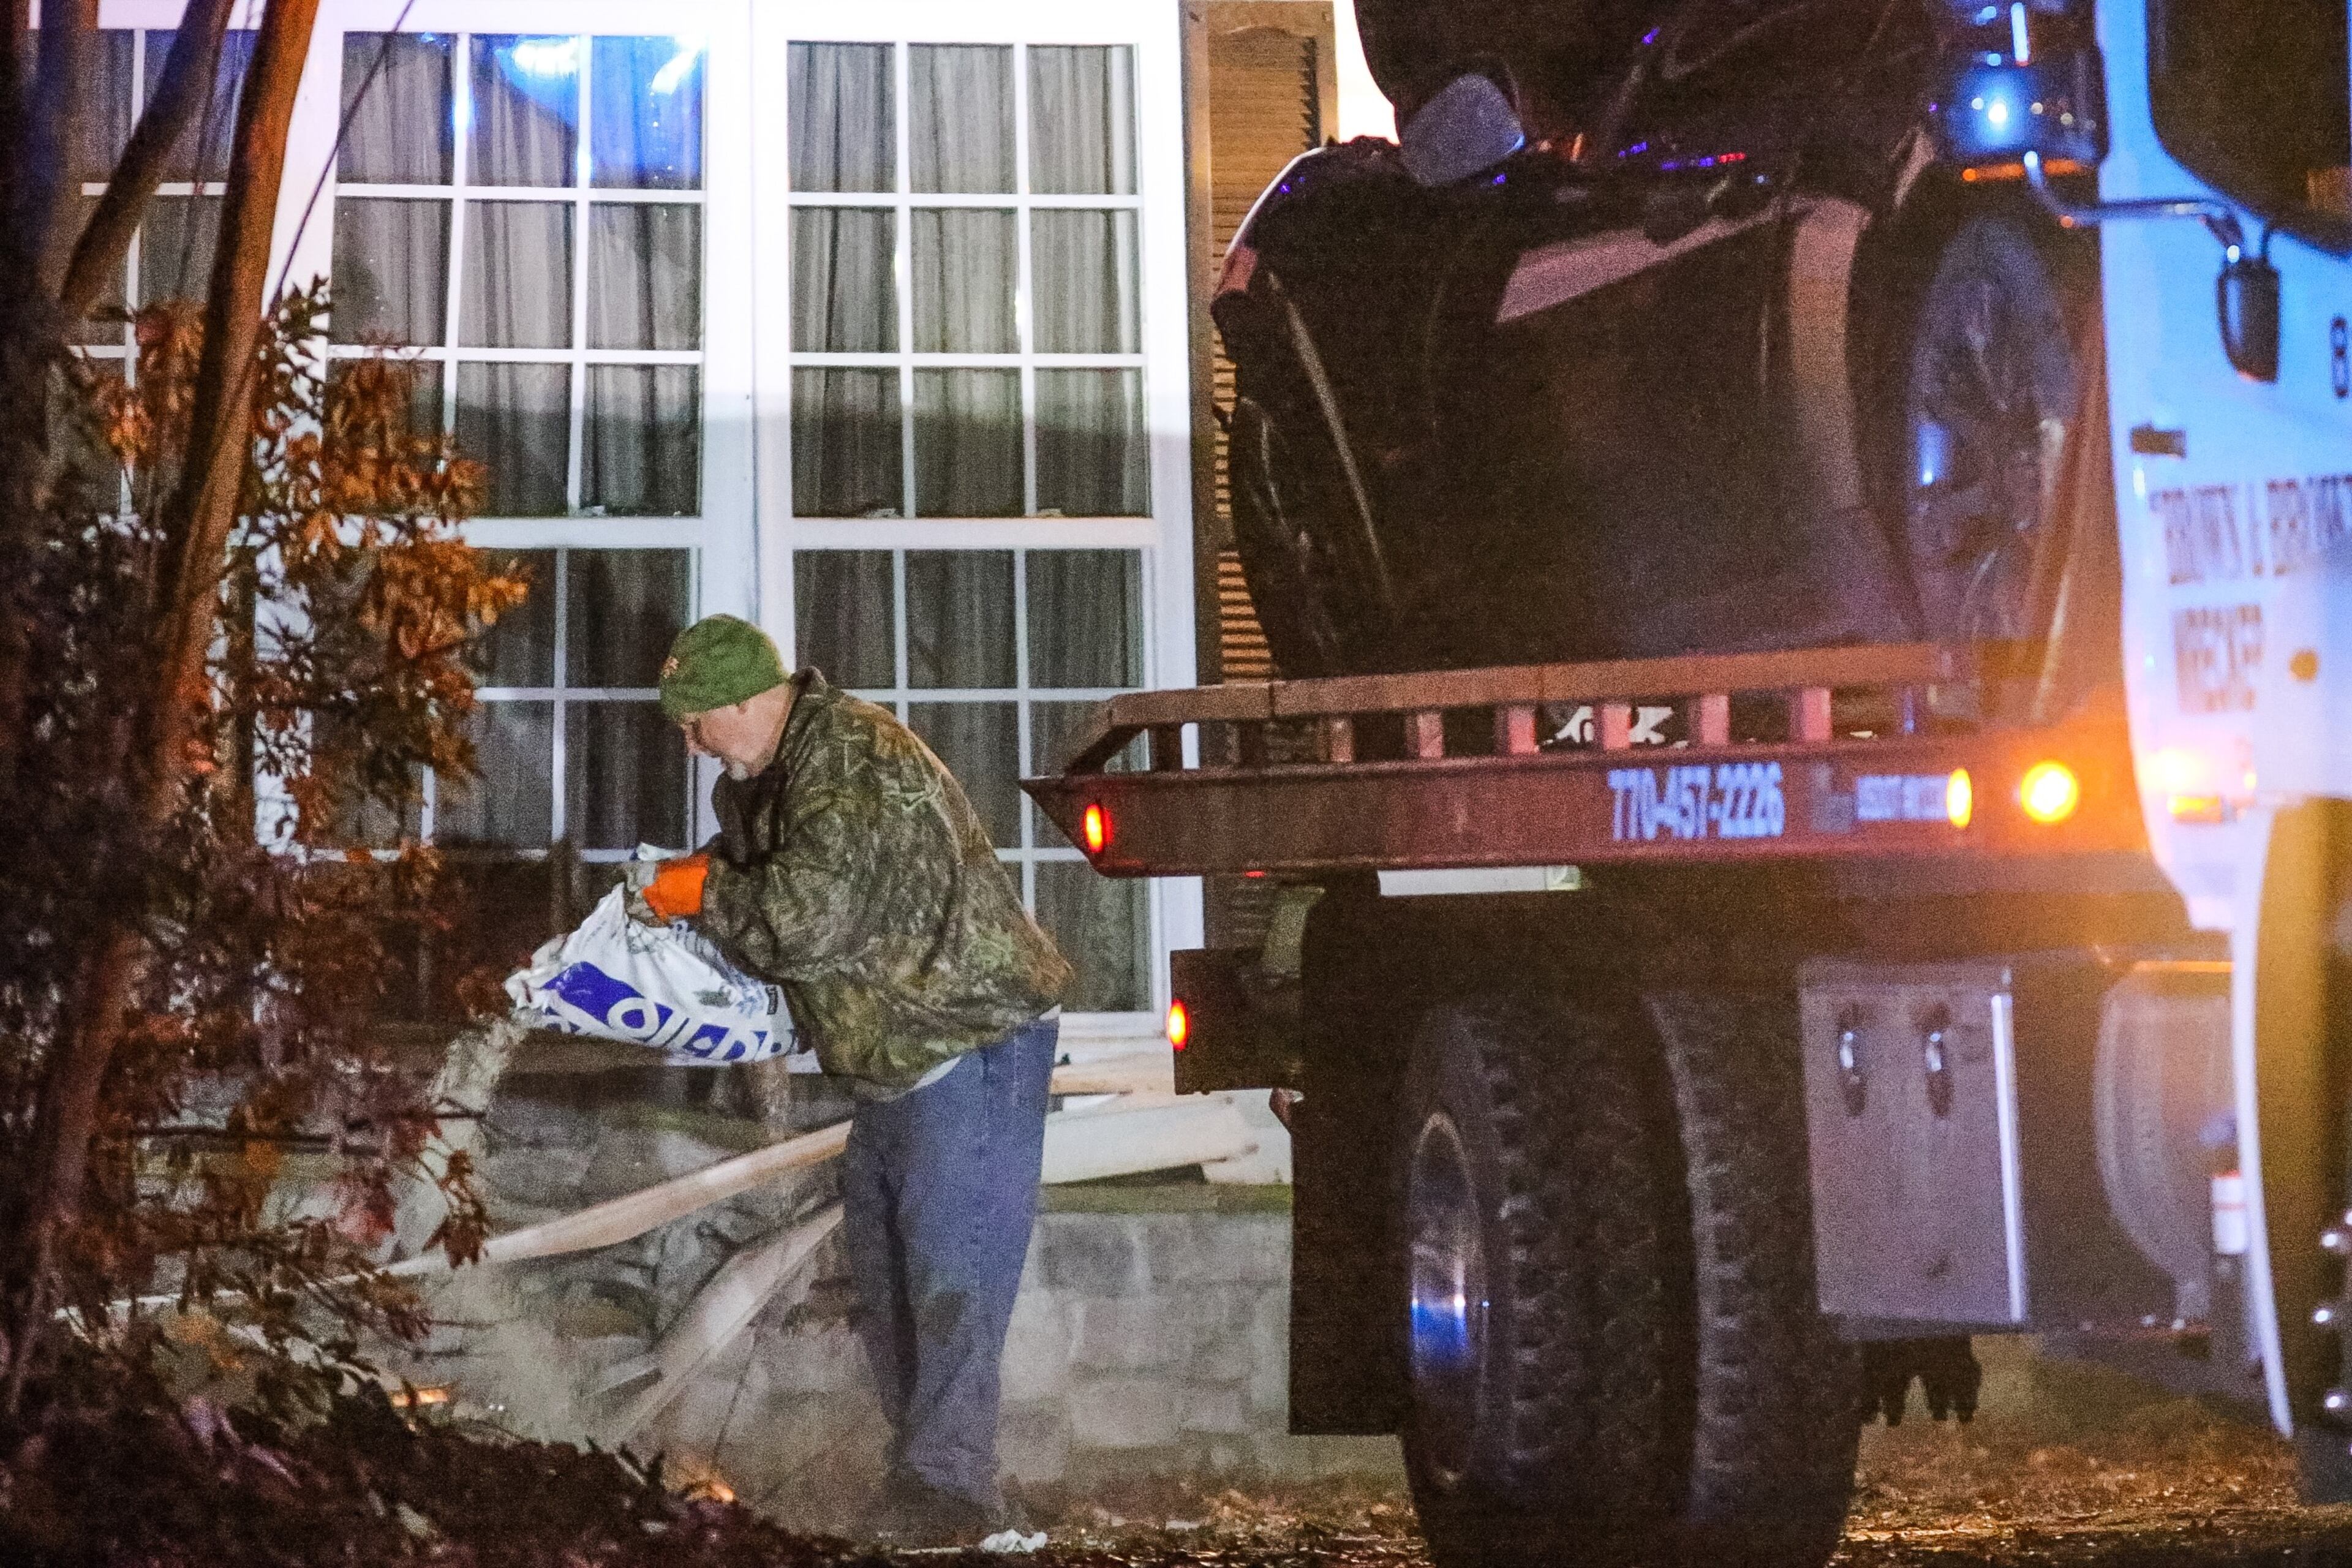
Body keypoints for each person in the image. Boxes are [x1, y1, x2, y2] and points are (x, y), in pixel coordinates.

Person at [639, 614, 1072, 1545]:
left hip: (969, 1040)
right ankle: (934, 1484)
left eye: (697, 721)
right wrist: (694, 883)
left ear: (754, 701)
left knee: (951, 1277)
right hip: (899, 1057)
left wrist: (697, 893)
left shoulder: (850, 758)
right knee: (889, 1278)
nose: (689, 744)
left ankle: (945, 1494)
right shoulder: (766, 778)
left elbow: (805, 917)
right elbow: (777, 887)